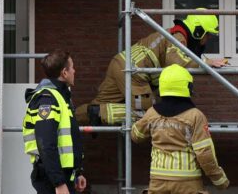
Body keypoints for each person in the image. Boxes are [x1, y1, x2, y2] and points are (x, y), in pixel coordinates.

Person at [131, 64, 229, 194]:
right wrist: (220, 180)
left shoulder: (152, 113)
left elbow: (136, 135)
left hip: (158, 181)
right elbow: (205, 155)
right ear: (186, 87)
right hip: (187, 183)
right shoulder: (195, 116)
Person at [76, 13, 226, 126]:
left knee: (99, 103)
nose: (207, 40)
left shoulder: (175, 34)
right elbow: (177, 62)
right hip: (135, 74)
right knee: (147, 114)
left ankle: (71, 116)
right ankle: (99, 112)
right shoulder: (178, 39)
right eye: (208, 35)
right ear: (198, 31)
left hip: (121, 64)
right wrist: (206, 63)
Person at [23, 50, 88, 194]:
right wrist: (59, 182)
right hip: (53, 178)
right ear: (64, 73)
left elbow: (68, 140)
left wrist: (78, 171)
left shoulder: (62, 97)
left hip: (56, 175)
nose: (75, 70)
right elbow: (46, 144)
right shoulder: (48, 100)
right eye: (72, 67)